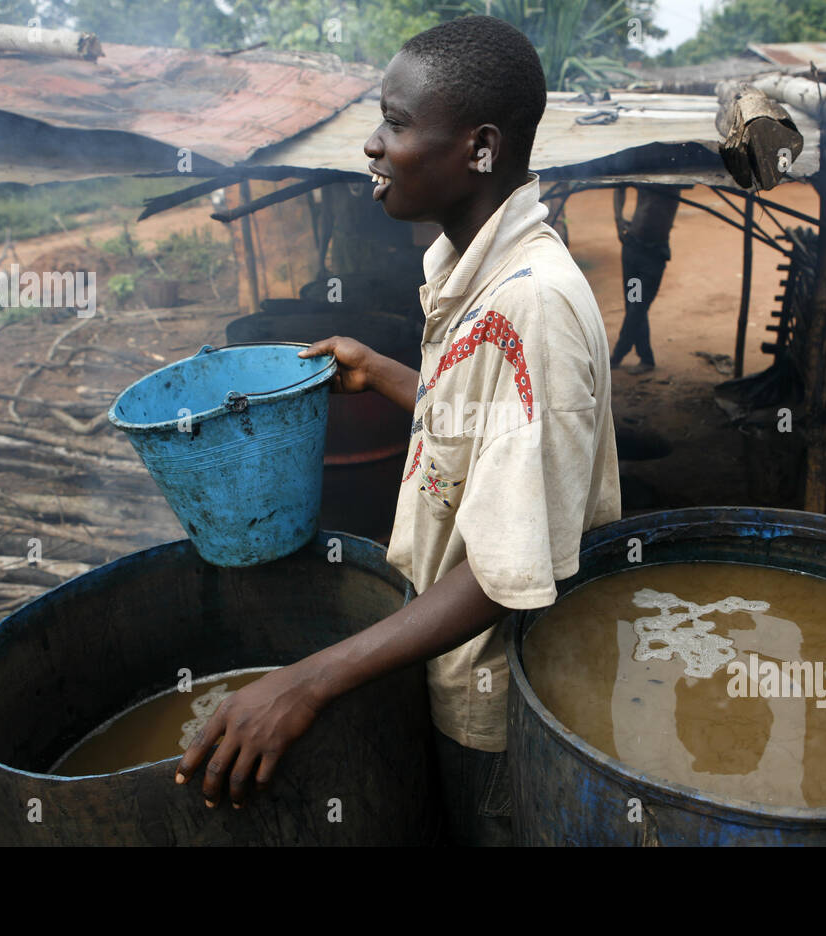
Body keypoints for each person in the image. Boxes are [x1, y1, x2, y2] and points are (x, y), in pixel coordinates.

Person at [176, 15, 620, 845]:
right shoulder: (477, 276)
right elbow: (488, 429)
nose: (374, 146)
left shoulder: (532, 305)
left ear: (481, 148)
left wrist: (305, 683)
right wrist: (380, 370)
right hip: (457, 672)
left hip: (500, 699)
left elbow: (501, 573)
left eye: (397, 123)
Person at [608, 183, 684, 374]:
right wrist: (618, 220)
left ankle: (618, 354)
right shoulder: (645, 169)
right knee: (634, 304)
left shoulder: (675, 175)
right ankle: (646, 358)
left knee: (637, 308)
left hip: (654, 255)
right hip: (633, 249)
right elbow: (620, 185)